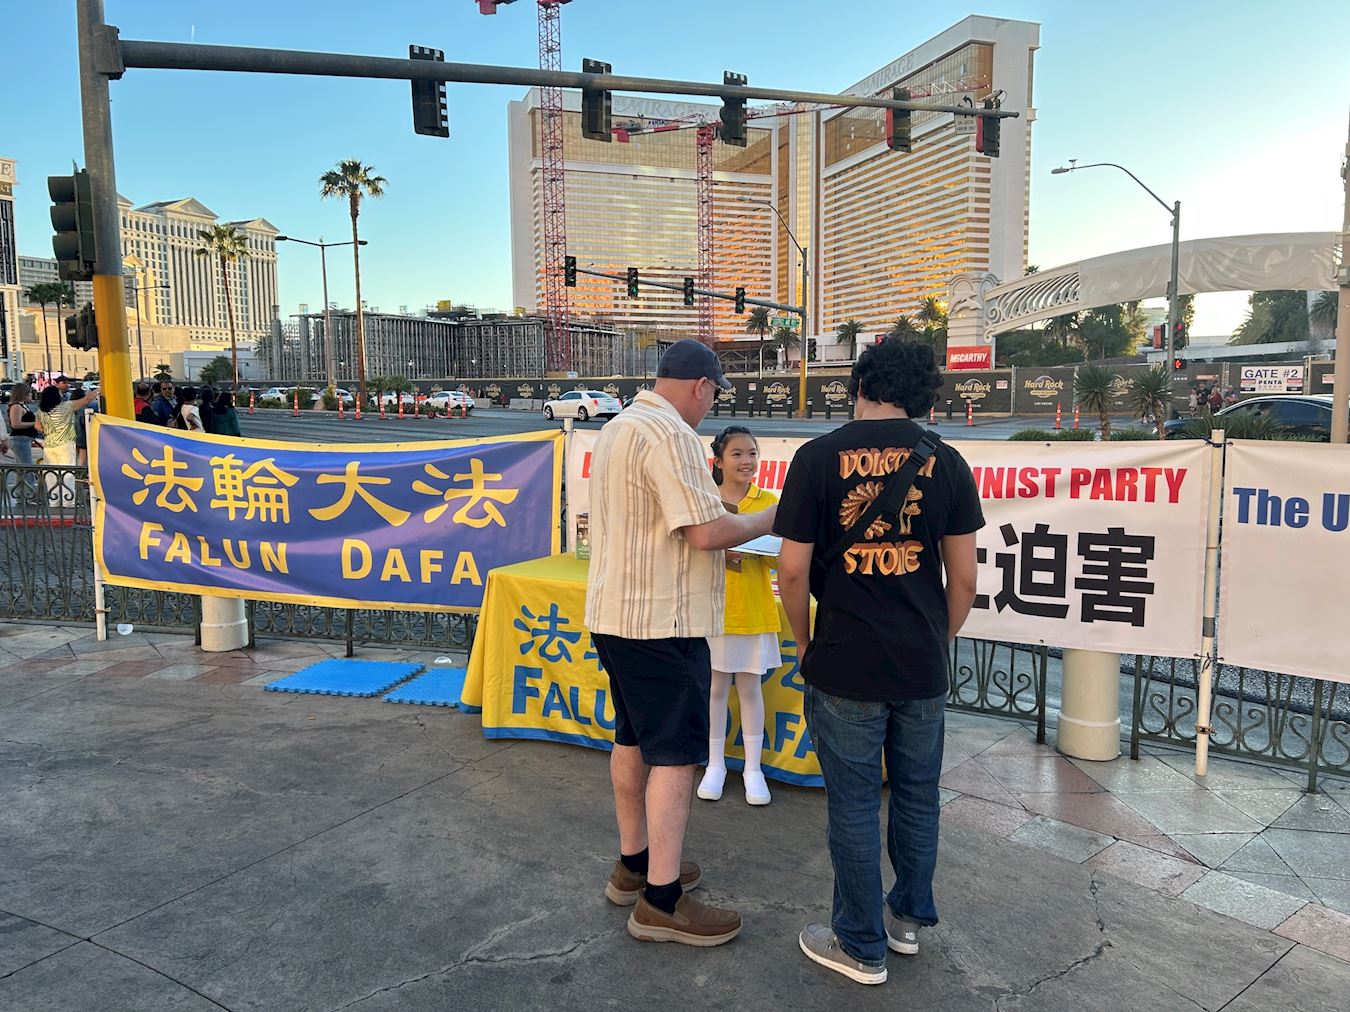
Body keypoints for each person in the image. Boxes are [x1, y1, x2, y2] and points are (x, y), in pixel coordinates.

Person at [773, 339, 982, 985]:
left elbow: (791, 572)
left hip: (845, 662)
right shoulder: (947, 462)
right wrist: (936, 639)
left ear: (860, 385)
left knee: (855, 804)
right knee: (918, 796)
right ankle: (905, 923)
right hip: (920, 664)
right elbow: (965, 580)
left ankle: (859, 945)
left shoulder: (815, 458)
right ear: (921, 396)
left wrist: (805, 643)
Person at [586, 339, 776, 948]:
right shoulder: (672, 435)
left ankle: (635, 865)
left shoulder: (618, 426)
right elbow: (707, 532)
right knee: (674, 756)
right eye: (715, 394)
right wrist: (773, 518)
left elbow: (665, 525)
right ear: (701, 386)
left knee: (632, 738)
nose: (711, 405)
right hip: (662, 622)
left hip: (615, 614)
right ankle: (661, 901)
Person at [696, 425, 780, 807]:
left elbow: (782, 556)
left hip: (752, 609)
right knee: (714, 688)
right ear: (718, 461)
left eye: (752, 453)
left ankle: (752, 769)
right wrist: (719, 550)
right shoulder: (706, 501)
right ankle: (714, 764)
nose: (747, 461)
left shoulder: (769, 502)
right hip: (710, 610)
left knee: (749, 688)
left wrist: (759, 547)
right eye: (737, 454)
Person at [36, 383, 99, 504]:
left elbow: (37, 426)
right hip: (65, 444)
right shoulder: (66, 406)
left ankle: (54, 501)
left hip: (49, 445)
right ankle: (67, 501)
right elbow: (86, 399)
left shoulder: (41, 411)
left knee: (51, 474)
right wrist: (98, 390)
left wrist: (50, 431)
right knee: (67, 473)